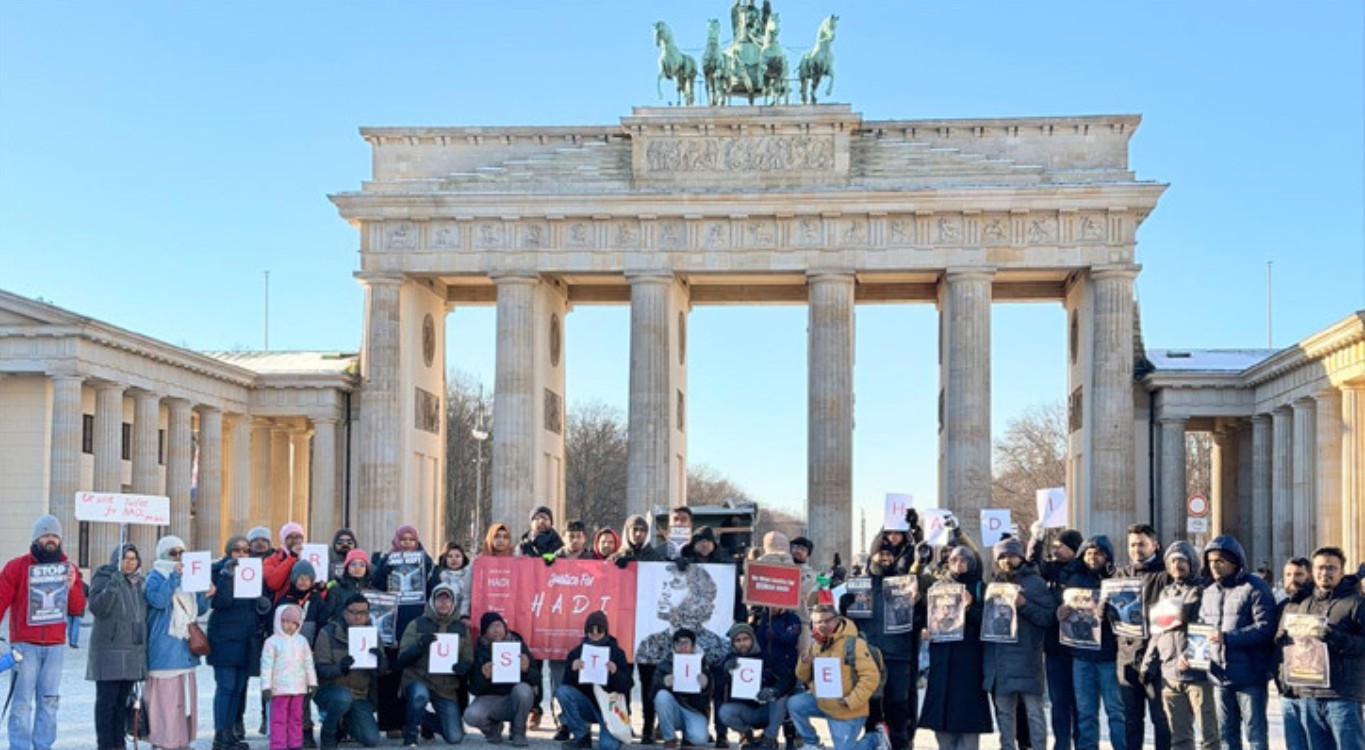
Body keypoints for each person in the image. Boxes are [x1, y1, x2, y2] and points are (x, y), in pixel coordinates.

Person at [0, 514, 86, 750]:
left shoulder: (69, 570)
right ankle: (19, 746)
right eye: (46, 535)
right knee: (22, 703)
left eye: (55, 536)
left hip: (55, 646)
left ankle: (43, 746)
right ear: (37, 538)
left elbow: (77, 608)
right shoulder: (16, 567)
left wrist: (71, 587)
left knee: (49, 702)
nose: (51, 540)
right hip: (24, 645)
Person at [1276, 547, 1365, 750]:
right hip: (1309, 694)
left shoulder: (1357, 604)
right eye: (1320, 568)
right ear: (1313, 572)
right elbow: (1281, 639)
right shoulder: (1304, 603)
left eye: (1331, 568)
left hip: (1342, 695)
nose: (1325, 573)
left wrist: (1335, 637)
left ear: (1341, 572)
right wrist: (1285, 636)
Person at [1197, 535, 1273, 750]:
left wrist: (1227, 638)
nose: (1214, 566)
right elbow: (1202, 628)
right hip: (1220, 675)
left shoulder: (1255, 587)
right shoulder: (1209, 591)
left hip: (1250, 675)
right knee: (1227, 735)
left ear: (1235, 561)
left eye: (1220, 561)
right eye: (1210, 561)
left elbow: (1265, 628)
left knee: (1255, 735)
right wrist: (1191, 651)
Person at [1139, 541, 1216, 750]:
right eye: (1172, 561)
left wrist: (1191, 653)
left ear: (1192, 562)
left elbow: (1207, 627)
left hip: (1197, 674)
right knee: (1180, 738)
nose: (1177, 566)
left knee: (1210, 736)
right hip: (1169, 673)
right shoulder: (1166, 593)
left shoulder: (1203, 591)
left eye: (1182, 560)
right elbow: (1157, 632)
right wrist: (1147, 662)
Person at [983, 537, 1056, 750]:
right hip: (1000, 660)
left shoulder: (1035, 583)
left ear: (1021, 556)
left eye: (1011, 555)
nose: (1007, 560)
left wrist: (1024, 605)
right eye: (1002, 556)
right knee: (1004, 714)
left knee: (1034, 712)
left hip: (1027, 657)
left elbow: (1048, 617)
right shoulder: (993, 583)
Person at [920, 546, 993, 750]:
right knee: (941, 717)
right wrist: (925, 627)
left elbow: (989, 621)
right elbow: (924, 615)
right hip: (942, 657)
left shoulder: (980, 587)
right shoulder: (938, 587)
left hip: (969, 658)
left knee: (968, 717)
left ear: (971, 563)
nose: (959, 564)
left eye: (963, 560)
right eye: (954, 561)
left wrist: (970, 607)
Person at [789, 604, 889, 750]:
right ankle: (812, 743)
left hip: (847, 710)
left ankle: (875, 738)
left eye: (827, 621)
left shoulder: (854, 644)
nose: (822, 625)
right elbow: (803, 677)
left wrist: (850, 701)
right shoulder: (816, 644)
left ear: (837, 620)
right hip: (823, 703)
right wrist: (804, 663)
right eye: (817, 622)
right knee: (794, 704)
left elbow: (871, 678)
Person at [145, 534, 212, 750]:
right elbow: (158, 600)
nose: (178, 557)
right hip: (164, 647)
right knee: (164, 702)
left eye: (182, 552)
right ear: (162, 554)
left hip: (184, 648)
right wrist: (173, 578)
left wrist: (205, 594)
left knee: (181, 702)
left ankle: (180, 740)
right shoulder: (155, 575)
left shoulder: (189, 576)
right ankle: (164, 741)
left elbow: (198, 610)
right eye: (173, 553)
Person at [858, 535, 925, 750]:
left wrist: (915, 604)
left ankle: (901, 745)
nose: (886, 558)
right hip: (870, 655)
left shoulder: (904, 583)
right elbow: (847, 619)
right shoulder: (860, 584)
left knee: (897, 707)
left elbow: (918, 621)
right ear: (872, 556)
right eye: (881, 553)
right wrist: (848, 603)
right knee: (872, 708)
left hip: (898, 655)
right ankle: (873, 744)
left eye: (889, 554)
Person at [1057, 535, 1123, 750]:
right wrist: (1062, 613)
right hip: (1081, 656)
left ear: (1108, 556)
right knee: (1085, 713)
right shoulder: (1074, 580)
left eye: (1098, 553)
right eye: (1088, 553)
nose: (1093, 557)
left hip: (1109, 657)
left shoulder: (1117, 580)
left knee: (1116, 712)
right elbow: (1065, 614)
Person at [370, 524, 434, 736]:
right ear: (397, 541)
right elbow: (376, 586)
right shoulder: (386, 559)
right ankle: (391, 724)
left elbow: (433, 588)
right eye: (403, 539)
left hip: (415, 619)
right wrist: (385, 568)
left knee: (415, 671)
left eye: (411, 539)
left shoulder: (425, 560)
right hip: (391, 620)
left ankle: (417, 721)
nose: (407, 543)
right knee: (391, 673)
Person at [1112, 524, 1171, 750]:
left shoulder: (1165, 575)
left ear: (1154, 545)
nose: (1137, 549)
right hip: (1127, 657)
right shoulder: (1120, 576)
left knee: (1161, 719)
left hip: (1157, 658)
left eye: (1142, 544)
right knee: (1131, 721)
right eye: (1133, 545)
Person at [1026, 526, 1083, 750]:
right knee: (1059, 702)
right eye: (1055, 546)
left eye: (1062, 546)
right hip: (1055, 646)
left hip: (1080, 647)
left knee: (1081, 704)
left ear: (1074, 549)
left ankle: (1082, 743)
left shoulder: (1083, 571)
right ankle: (1061, 744)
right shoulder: (1050, 570)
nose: (1056, 550)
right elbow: (1033, 562)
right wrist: (1036, 538)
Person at [86, 543, 147, 750]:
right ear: (116, 560)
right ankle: (105, 744)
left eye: (133, 558)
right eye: (125, 558)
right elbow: (97, 607)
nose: (129, 563)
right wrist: (113, 584)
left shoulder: (140, 582)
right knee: (106, 704)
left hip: (131, 652)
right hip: (109, 651)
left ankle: (119, 744)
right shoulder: (104, 576)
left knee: (122, 704)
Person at [397, 583, 473, 746]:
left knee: (454, 737)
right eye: (440, 599)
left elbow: (468, 658)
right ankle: (411, 732)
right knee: (419, 695)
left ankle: (425, 721)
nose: (443, 603)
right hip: (419, 679)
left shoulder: (461, 628)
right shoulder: (416, 624)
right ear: (432, 601)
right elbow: (402, 658)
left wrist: (463, 667)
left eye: (448, 599)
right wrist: (418, 646)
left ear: (453, 603)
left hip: (446, 687)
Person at [208, 536, 263, 750]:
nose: (242, 554)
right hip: (224, 637)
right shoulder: (218, 571)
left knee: (238, 688)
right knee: (226, 687)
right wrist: (227, 576)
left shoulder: (252, 570)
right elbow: (220, 602)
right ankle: (219, 736)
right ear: (229, 551)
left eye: (246, 550)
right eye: (237, 550)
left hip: (246, 637)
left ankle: (229, 733)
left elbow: (255, 601)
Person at [314, 592, 384, 749]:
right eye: (353, 612)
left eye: (363, 613)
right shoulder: (328, 632)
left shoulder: (372, 635)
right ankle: (328, 732)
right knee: (342, 698)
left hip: (359, 694)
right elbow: (321, 669)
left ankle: (345, 724)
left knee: (371, 739)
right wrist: (340, 668)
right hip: (330, 691)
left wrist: (380, 661)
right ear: (345, 612)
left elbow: (381, 673)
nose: (358, 617)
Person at [557, 610, 634, 750]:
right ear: (586, 632)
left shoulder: (617, 652)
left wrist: (615, 672)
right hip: (588, 705)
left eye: (599, 631)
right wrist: (572, 670)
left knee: (608, 746)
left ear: (605, 631)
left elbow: (627, 686)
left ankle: (614, 734)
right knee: (563, 692)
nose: (595, 635)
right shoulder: (577, 652)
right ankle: (581, 735)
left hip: (609, 709)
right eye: (591, 632)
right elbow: (566, 685)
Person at [466, 611, 541, 746]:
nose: (497, 630)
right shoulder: (479, 651)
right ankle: (493, 729)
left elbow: (537, 679)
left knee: (523, 690)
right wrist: (484, 677)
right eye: (492, 627)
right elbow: (474, 689)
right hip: (492, 699)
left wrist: (527, 670)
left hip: (515, 698)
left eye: (499, 625)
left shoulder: (518, 645)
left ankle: (518, 732)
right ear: (484, 632)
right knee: (471, 715)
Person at [718, 622, 793, 750]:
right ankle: (747, 735)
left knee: (781, 697)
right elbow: (718, 688)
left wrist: (774, 690)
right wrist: (726, 672)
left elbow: (787, 678)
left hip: (767, 710)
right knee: (725, 711)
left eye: (746, 639)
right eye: (738, 640)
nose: (742, 643)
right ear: (733, 643)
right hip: (745, 711)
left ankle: (769, 739)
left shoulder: (767, 656)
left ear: (752, 639)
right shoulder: (729, 660)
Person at [261, 604, 319, 750]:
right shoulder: (272, 642)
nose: (290, 626)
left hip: (298, 687)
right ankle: (278, 745)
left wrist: (312, 682)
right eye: (286, 621)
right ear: (278, 621)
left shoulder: (302, 641)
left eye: (294, 623)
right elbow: (266, 666)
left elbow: (308, 663)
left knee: (296, 719)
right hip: (279, 689)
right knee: (278, 719)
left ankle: (295, 743)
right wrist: (266, 687)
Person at [653, 628, 715, 749]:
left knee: (699, 738)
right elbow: (652, 691)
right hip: (674, 710)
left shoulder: (703, 664)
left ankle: (688, 737)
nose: (682, 647)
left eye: (686, 643)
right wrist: (663, 683)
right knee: (662, 696)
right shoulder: (666, 663)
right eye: (678, 644)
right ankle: (669, 738)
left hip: (694, 710)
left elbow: (709, 698)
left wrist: (706, 685)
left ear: (693, 646)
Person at [427, 542, 473, 620]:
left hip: (465, 618)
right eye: (450, 556)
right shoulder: (437, 576)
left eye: (457, 556)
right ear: (445, 559)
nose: (454, 559)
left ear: (463, 558)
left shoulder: (470, 576)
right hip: (442, 619)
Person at [327, 549, 374, 622]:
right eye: (353, 564)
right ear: (347, 567)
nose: (357, 568)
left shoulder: (372, 591)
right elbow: (329, 616)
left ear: (366, 569)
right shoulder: (336, 590)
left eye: (362, 565)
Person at [266, 522, 307, 603]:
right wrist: (291, 557)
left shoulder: (311, 555)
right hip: (282, 604)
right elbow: (273, 584)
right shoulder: (271, 560)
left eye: (298, 536)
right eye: (290, 537)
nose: (295, 540)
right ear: (283, 540)